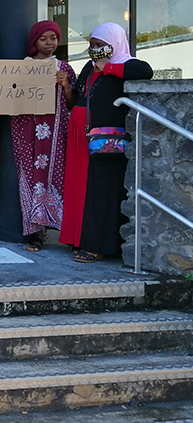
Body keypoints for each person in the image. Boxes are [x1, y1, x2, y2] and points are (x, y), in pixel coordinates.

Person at [63, 22, 152, 263]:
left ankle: (97, 245)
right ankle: (82, 239)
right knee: (86, 188)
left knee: (104, 190)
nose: (95, 49)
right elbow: (78, 98)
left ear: (114, 44)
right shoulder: (87, 68)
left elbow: (145, 72)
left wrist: (108, 67)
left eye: (100, 45)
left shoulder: (126, 64)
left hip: (109, 139)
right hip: (85, 137)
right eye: (92, 45)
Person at [12, 21, 75, 252]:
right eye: (44, 39)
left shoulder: (64, 69)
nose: (49, 43)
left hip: (55, 136)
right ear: (34, 41)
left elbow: (72, 104)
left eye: (54, 38)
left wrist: (65, 84)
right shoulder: (22, 67)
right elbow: (7, 95)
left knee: (56, 179)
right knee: (30, 179)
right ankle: (35, 235)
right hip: (28, 133)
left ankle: (62, 231)